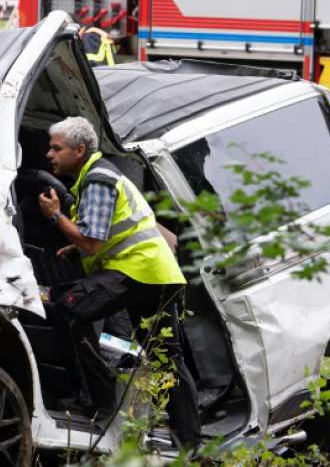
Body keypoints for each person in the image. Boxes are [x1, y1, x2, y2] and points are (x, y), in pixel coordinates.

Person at [37, 116, 202, 449]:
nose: (49, 155)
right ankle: (191, 445)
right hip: (155, 273)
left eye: (57, 148)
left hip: (137, 272)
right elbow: (110, 234)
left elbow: (92, 242)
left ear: (79, 150)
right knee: (166, 358)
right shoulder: (99, 175)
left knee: (67, 309)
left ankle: (101, 400)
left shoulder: (97, 180)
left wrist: (56, 217)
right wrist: (76, 245)